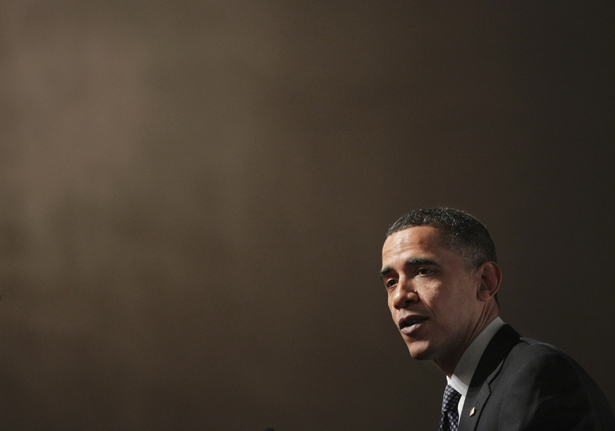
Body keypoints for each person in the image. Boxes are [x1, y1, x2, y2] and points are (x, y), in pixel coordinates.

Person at [380, 208, 615, 431]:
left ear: (485, 281)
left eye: (423, 271)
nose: (399, 296)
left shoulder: (536, 375)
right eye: (391, 282)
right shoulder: (464, 398)